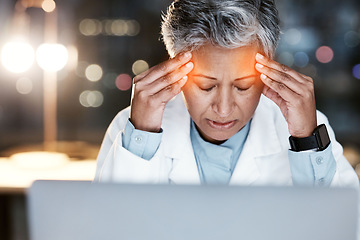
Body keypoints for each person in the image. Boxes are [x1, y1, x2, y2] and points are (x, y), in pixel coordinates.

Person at [94, 0, 358, 187]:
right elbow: (111, 225)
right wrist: (142, 136)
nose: (223, 109)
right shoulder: (129, 128)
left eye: (243, 86)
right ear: (177, 70)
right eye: (206, 86)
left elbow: (341, 227)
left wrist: (307, 143)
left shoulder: (308, 129)